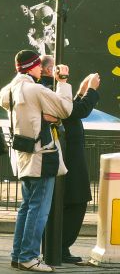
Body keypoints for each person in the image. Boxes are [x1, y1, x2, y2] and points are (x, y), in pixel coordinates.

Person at [0, 50, 73, 272]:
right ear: (31, 66)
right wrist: (63, 82)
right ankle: (29, 256)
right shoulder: (36, 89)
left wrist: (42, 114)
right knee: (39, 209)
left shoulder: (9, 89)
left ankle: (18, 255)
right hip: (42, 155)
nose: (42, 69)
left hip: (23, 154)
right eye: (39, 65)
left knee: (26, 207)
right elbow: (65, 109)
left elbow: (25, 111)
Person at [61, 73, 100, 263]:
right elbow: (77, 111)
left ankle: (60, 247)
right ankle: (60, 247)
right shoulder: (51, 89)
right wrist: (91, 90)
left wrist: (81, 91)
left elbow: (71, 109)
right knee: (76, 200)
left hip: (69, 156)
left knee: (72, 201)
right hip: (69, 157)